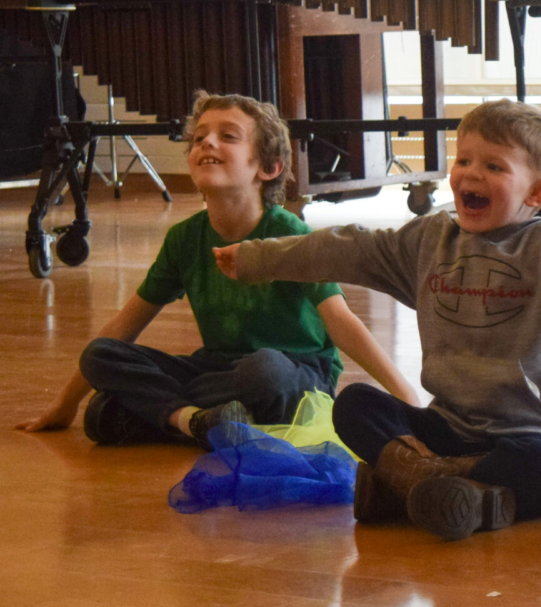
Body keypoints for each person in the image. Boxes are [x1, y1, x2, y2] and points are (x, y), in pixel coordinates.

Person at [215, 99, 541, 541]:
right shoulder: (428, 242)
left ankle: (412, 484)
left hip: (531, 434)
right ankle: (448, 489)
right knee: (354, 404)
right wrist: (261, 258)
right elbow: (345, 249)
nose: (470, 174)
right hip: (446, 426)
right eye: (464, 160)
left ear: (537, 193)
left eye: (495, 167)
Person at [17, 93, 417, 449]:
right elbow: (125, 325)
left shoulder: (289, 233)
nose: (207, 142)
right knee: (99, 355)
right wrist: (65, 404)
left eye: (228, 136)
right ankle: (195, 421)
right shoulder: (185, 239)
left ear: (269, 167)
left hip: (295, 373)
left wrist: (411, 405)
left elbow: (342, 322)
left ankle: (168, 413)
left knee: (264, 370)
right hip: (216, 368)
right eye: (199, 137)